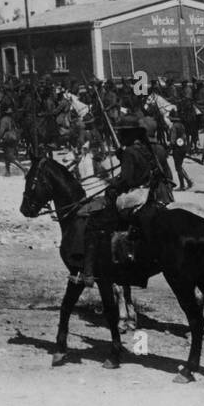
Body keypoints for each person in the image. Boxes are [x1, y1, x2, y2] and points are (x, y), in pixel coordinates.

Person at [80, 114, 163, 287]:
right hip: (148, 192)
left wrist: (112, 186)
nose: (120, 136)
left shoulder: (130, 152)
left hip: (134, 195)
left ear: (130, 135)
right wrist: (121, 156)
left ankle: (87, 272)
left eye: (123, 133)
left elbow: (127, 180)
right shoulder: (144, 149)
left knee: (94, 222)